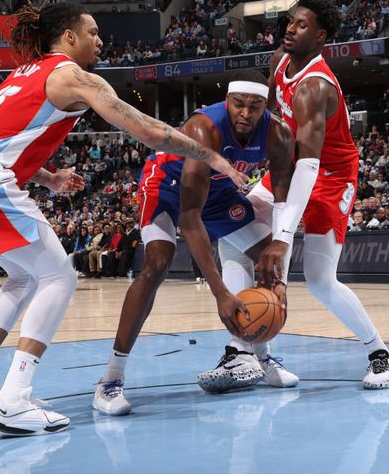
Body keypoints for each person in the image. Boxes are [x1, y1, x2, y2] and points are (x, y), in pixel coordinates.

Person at [0, 1, 246, 437]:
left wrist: (49, 177)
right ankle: (14, 399)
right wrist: (208, 153)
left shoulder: (27, 72)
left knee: (23, 277)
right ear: (70, 37)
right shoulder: (72, 75)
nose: (101, 40)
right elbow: (148, 131)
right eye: (93, 32)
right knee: (60, 276)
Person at [92, 70, 295, 416]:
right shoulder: (205, 127)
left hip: (217, 193)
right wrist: (220, 293)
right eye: (238, 105)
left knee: (267, 260)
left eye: (255, 106)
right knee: (157, 263)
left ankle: (261, 357)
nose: (245, 113)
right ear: (227, 101)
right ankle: (111, 378)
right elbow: (189, 218)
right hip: (166, 188)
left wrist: (280, 265)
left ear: (267, 106)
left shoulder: (278, 134)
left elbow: (282, 198)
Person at [254, 0, 389, 389]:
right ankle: (246, 356)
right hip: (291, 164)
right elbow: (269, 121)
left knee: (319, 279)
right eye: (289, 21)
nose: (290, 28)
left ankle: (382, 354)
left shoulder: (315, 87)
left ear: (320, 38)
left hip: (330, 174)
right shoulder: (278, 61)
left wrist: (283, 236)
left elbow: (310, 164)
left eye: (301, 25)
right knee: (241, 228)